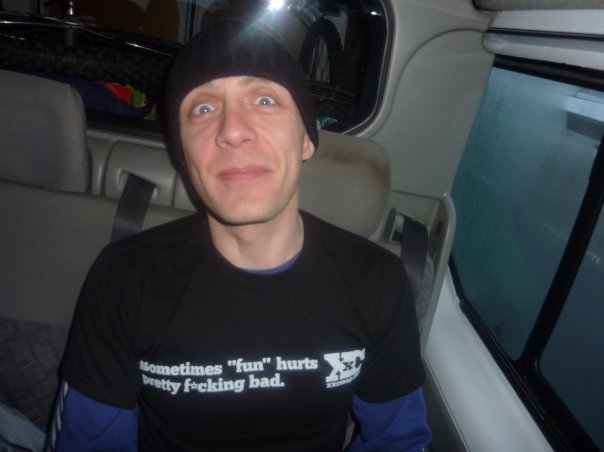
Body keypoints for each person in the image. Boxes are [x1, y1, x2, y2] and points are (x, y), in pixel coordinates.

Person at [50, 19, 432, 451]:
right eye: (203, 109)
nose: (232, 130)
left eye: (265, 99)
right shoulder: (124, 278)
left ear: (307, 139)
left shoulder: (378, 282)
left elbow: (397, 442)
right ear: (183, 153)